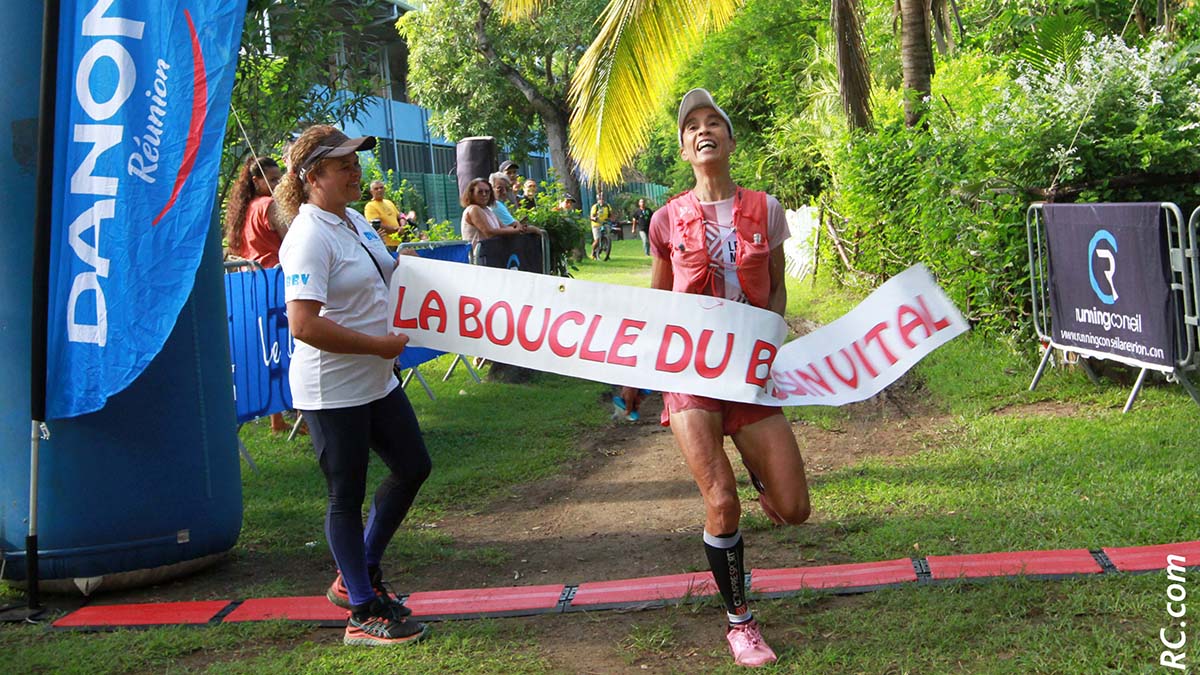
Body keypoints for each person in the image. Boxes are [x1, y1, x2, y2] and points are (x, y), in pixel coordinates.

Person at [649, 88, 811, 667]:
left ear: (730, 140)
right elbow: (660, 295)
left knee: (794, 509)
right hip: (692, 374)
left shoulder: (766, 209)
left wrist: (774, 333)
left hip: (750, 374)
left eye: (713, 121)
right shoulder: (665, 218)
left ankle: (760, 473)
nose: (702, 130)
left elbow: (777, 282)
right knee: (720, 501)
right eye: (691, 126)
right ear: (684, 148)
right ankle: (740, 624)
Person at [276, 124, 431, 647]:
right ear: (312, 176)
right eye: (343, 165)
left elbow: (387, 273)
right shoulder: (307, 236)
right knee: (346, 496)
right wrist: (378, 347)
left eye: (355, 162)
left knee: (413, 466)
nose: (355, 171)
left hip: (374, 378)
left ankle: (357, 576)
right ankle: (363, 611)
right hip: (333, 387)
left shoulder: (354, 224)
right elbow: (303, 324)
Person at [224, 156, 297, 435]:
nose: (278, 184)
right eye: (273, 179)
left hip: (252, 285)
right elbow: (292, 236)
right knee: (286, 347)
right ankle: (298, 409)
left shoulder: (244, 209)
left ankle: (277, 420)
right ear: (257, 181)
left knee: (269, 352)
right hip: (277, 283)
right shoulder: (269, 206)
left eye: (280, 178)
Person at [459, 177, 532, 246]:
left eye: (487, 191)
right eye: (480, 192)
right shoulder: (474, 209)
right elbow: (489, 232)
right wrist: (517, 230)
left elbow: (503, 227)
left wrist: (519, 227)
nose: (484, 194)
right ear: (472, 194)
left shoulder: (487, 210)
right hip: (479, 257)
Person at [588, 193, 612, 260]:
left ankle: (607, 252)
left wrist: (610, 219)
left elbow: (610, 215)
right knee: (597, 240)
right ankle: (592, 253)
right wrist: (594, 218)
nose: (601, 200)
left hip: (605, 223)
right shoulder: (595, 207)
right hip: (596, 224)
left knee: (608, 236)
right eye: (600, 199)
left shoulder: (607, 206)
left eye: (602, 199)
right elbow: (591, 216)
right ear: (597, 200)